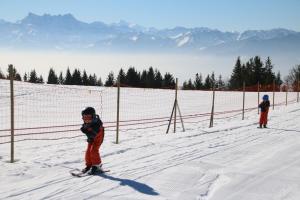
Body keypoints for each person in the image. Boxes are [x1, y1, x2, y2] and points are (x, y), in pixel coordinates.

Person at [80, 107, 104, 174]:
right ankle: (89, 165)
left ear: (93, 116)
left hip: (98, 139)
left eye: (88, 117)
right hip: (91, 139)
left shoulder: (97, 124)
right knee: (88, 152)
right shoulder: (87, 122)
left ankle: (97, 166)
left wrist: (86, 130)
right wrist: (84, 129)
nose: (86, 120)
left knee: (93, 150)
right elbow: (84, 128)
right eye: (85, 117)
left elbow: (93, 133)